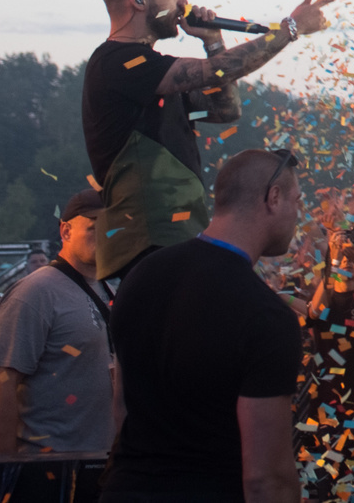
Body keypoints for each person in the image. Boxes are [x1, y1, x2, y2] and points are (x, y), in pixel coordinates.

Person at [84, 0, 331, 281]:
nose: (184, 2)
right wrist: (289, 30)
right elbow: (214, 71)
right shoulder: (118, 62)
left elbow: (225, 110)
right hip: (146, 240)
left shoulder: (152, 72)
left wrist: (212, 40)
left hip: (171, 235)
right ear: (139, 0)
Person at [101, 149, 306, 503]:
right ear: (273, 198)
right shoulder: (266, 316)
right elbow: (265, 479)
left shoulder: (141, 277)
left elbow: (120, 409)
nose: (298, 215)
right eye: (296, 201)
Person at [0, 190, 118, 503]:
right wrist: (6, 471)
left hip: (96, 467)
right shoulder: (34, 293)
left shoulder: (107, 287)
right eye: (93, 225)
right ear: (65, 230)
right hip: (47, 472)